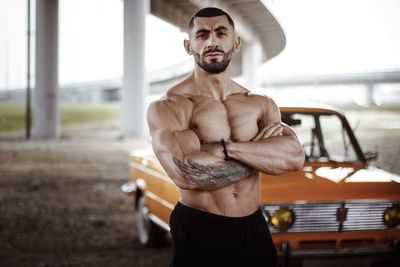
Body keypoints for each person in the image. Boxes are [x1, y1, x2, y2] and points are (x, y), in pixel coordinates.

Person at [147, 7, 305, 267]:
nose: (212, 41)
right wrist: (259, 153)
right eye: (202, 35)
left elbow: (294, 158)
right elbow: (187, 174)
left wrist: (224, 148)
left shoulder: (260, 103)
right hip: (201, 227)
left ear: (236, 43)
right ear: (189, 46)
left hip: (253, 226)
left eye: (221, 32)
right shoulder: (171, 106)